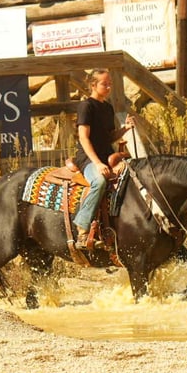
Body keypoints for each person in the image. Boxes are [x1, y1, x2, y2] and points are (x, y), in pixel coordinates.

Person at [72, 69, 135, 249]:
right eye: (104, 84)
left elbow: (108, 137)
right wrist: (98, 163)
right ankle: (82, 229)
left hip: (107, 155)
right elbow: (84, 138)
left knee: (133, 173)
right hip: (88, 158)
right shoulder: (86, 106)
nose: (108, 87)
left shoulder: (108, 108)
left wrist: (124, 129)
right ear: (93, 85)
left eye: (110, 84)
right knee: (99, 182)